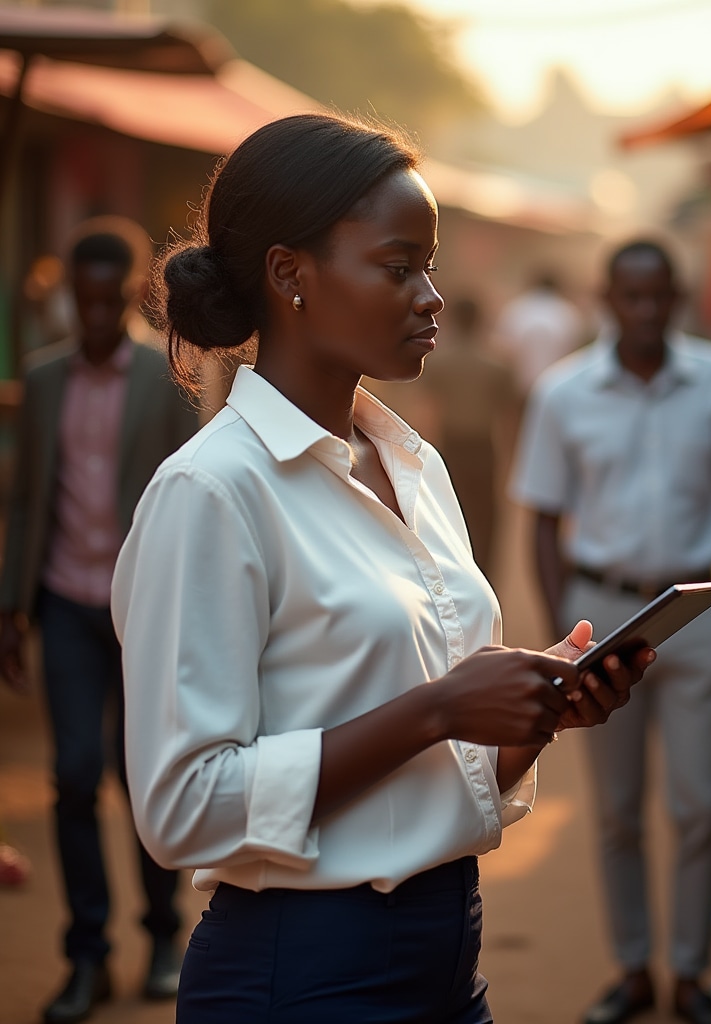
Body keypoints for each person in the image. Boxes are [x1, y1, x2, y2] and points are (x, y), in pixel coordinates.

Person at [109, 112, 655, 1024]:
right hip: (297, 972)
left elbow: (436, 772)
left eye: (430, 266)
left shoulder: (413, 465)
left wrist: (535, 712)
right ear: (291, 275)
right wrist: (438, 707)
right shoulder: (211, 492)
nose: (432, 295)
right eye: (399, 267)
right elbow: (182, 808)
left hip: (444, 958)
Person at [510, 239, 711, 1024]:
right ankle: (634, 971)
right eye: (631, 297)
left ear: (677, 299)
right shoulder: (563, 394)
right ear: (607, 300)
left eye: (659, 297)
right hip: (607, 616)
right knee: (618, 810)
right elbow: (542, 520)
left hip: (697, 612)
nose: (646, 311)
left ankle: (689, 973)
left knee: (699, 807)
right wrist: (568, 630)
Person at [0, 216, 198, 1023]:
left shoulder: (164, 381)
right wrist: (11, 608)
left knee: (143, 777)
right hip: (64, 604)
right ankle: (87, 955)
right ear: (67, 299)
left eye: (105, 301)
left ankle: (163, 938)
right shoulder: (43, 382)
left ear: (126, 299)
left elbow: (193, 499)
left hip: (142, 610)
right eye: (78, 301)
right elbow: (27, 501)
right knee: (74, 774)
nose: (90, 316)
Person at [417, 295, 517, 580]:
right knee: (486, 516)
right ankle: (485, 576)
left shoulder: (438, 360)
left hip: (450, 445)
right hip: (484, 446)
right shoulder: (496, 362)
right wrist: (509, 459)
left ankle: (454, 574)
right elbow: (508, 418)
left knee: (448, 511)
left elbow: (428, 411)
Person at [490, 270, 586, 404]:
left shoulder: (515, 308)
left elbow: (502, 348)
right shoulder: (568, 311)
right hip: (558, 384)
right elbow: (574, 350)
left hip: (520, 385)